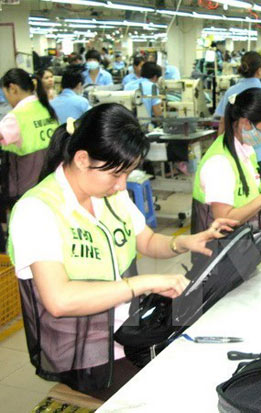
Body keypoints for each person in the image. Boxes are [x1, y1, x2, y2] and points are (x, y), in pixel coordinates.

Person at [7, 103, 236, 400]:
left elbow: (147, 241)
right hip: (83, 350)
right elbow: (59, 300)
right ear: (82, 159)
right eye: (116, 174)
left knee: (202, 365)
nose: (121, 185)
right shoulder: (37, 210)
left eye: (127, 173)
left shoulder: (109, 195)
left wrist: (182, 243)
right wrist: (140, 283)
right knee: (171, 397)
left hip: (127, 328)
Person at [192, 88, 261, 240]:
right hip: (220, 249)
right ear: (246, 123)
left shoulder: (244, 148)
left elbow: (250, 189)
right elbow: (223, 221)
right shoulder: (219, 163)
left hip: (243, 241)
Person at [215, 51, 261, 181]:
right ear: (260, 70)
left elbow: (223, 122)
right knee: (259, 186)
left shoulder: (231, 92)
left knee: (240, 185)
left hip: (236, 151)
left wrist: (219, 147)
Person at [0, 68, 59, 199]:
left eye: (5, 94)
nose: (7, 99)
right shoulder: (45, 108)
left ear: (13, 88)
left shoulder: (16, 116)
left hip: (25, 186)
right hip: (49, 182)